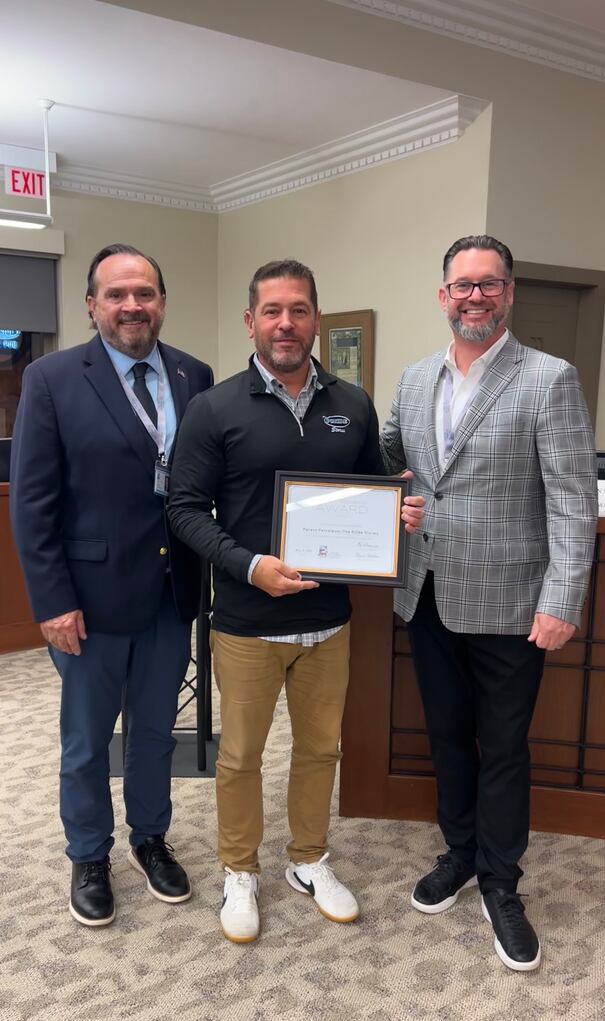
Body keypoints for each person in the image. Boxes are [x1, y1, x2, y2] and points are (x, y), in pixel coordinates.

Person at [167, 259, 421, 943]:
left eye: (300, 309)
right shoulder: (213, 408)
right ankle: (239, 869)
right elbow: (186, 510)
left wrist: (398, 512)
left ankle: (308, 859)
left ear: (316, 319)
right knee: (240, 756)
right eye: (273, 310)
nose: (286, 323)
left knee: (318, 751)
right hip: (247, 621)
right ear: (251, 321)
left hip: (329, 622)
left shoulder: (352, 403)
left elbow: (374, 489)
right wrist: (249, 566)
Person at [380, 235, 597, 972]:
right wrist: (395, 496)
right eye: (462, 285)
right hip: (428, 589)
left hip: (512, 601)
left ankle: (502, 882)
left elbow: (574, 498)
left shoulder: (549, 378)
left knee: (502, 747)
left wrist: (562, 594)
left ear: (509, 294)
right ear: (443, 295)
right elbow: (390, 456)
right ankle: (460, 853)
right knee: (446, 737)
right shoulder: (413, 380)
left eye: (489, 284)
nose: (475, 296)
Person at [10, 244, 213, 927]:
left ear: (161, 300)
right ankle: (88, 852)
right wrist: (51, 600)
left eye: (146, 293)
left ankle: (150, 839)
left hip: (170, 589)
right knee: (88, 739)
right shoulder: (53, 378)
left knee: (156, 732)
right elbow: (31, 503)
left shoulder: (193, 374)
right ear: (93, 304)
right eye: (118, 294)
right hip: (88, 601)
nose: (134, 306)